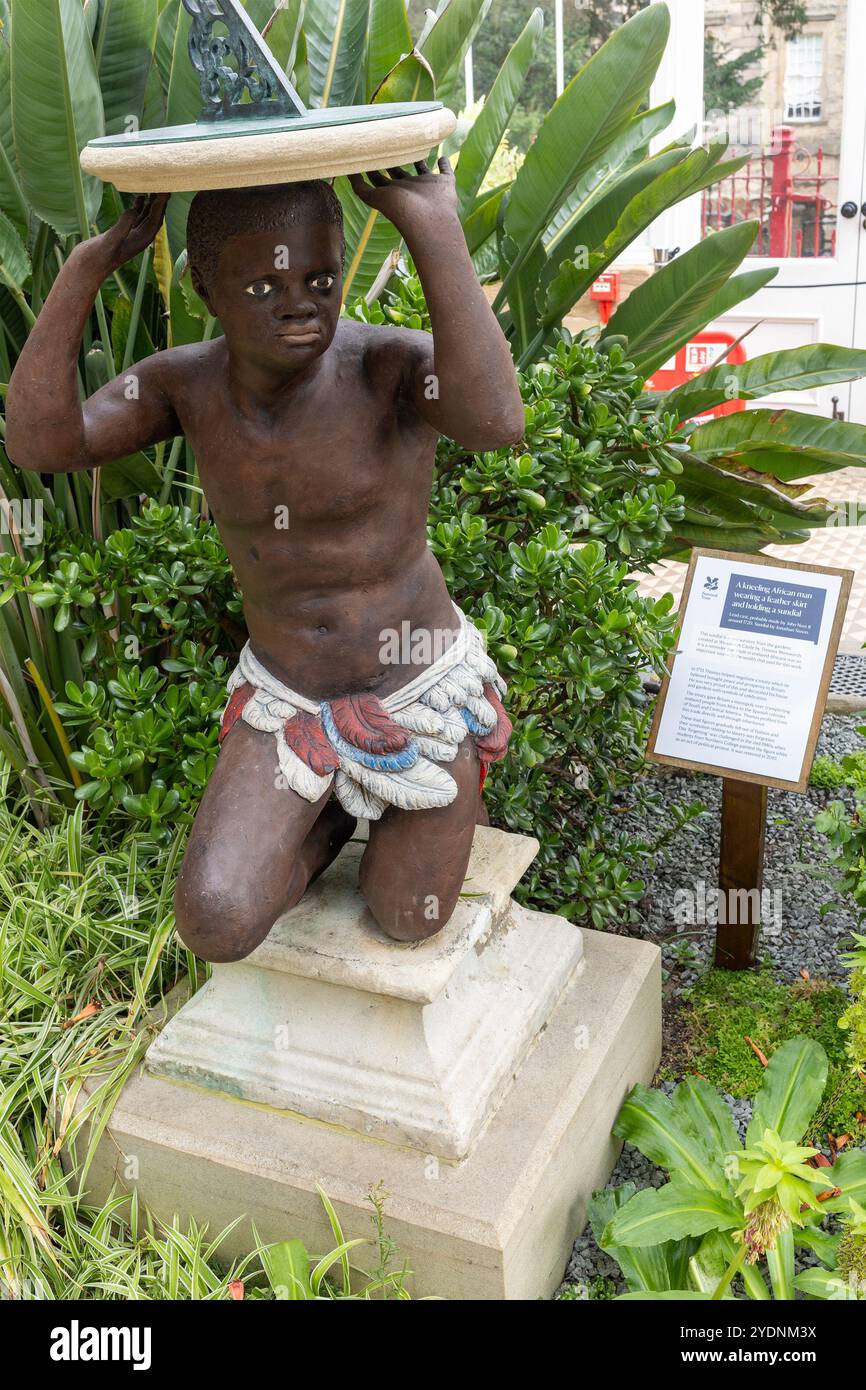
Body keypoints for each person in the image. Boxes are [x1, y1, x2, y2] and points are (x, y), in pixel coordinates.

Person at [5, 159, 525, 959]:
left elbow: (494, 420)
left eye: (320, 279)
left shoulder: (386, 368)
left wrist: (431, 222)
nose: (298, 307)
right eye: (262, 290)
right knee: (216, 920)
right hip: (289, 698)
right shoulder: (186, 386)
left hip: (415, 681)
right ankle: (328, 819)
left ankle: (436, 792)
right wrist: (88, 265)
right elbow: (42, 443)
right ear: (205, 291)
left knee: (407, 914)